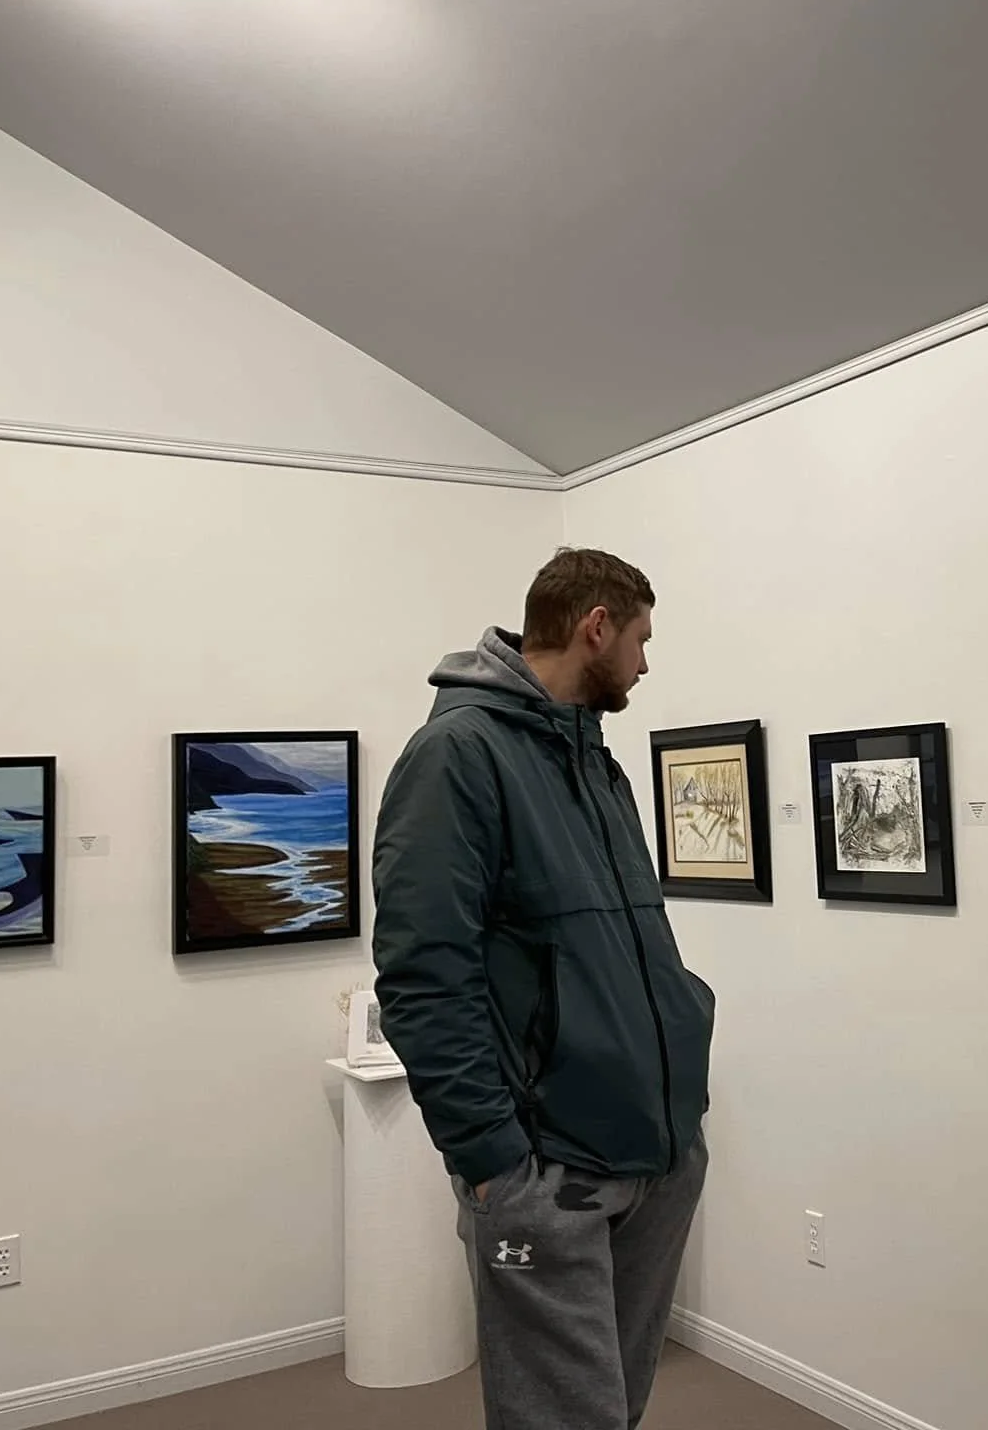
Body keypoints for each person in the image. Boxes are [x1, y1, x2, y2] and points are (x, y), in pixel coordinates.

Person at [373, 547, 715, 1430]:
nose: (645, 661)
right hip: (547, 1169)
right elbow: (422, 973)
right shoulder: (457, 755)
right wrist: (491, 1164)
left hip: (655, 1147)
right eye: (641, 638)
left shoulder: (597, 764)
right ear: (595, 627)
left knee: (615, 1407)